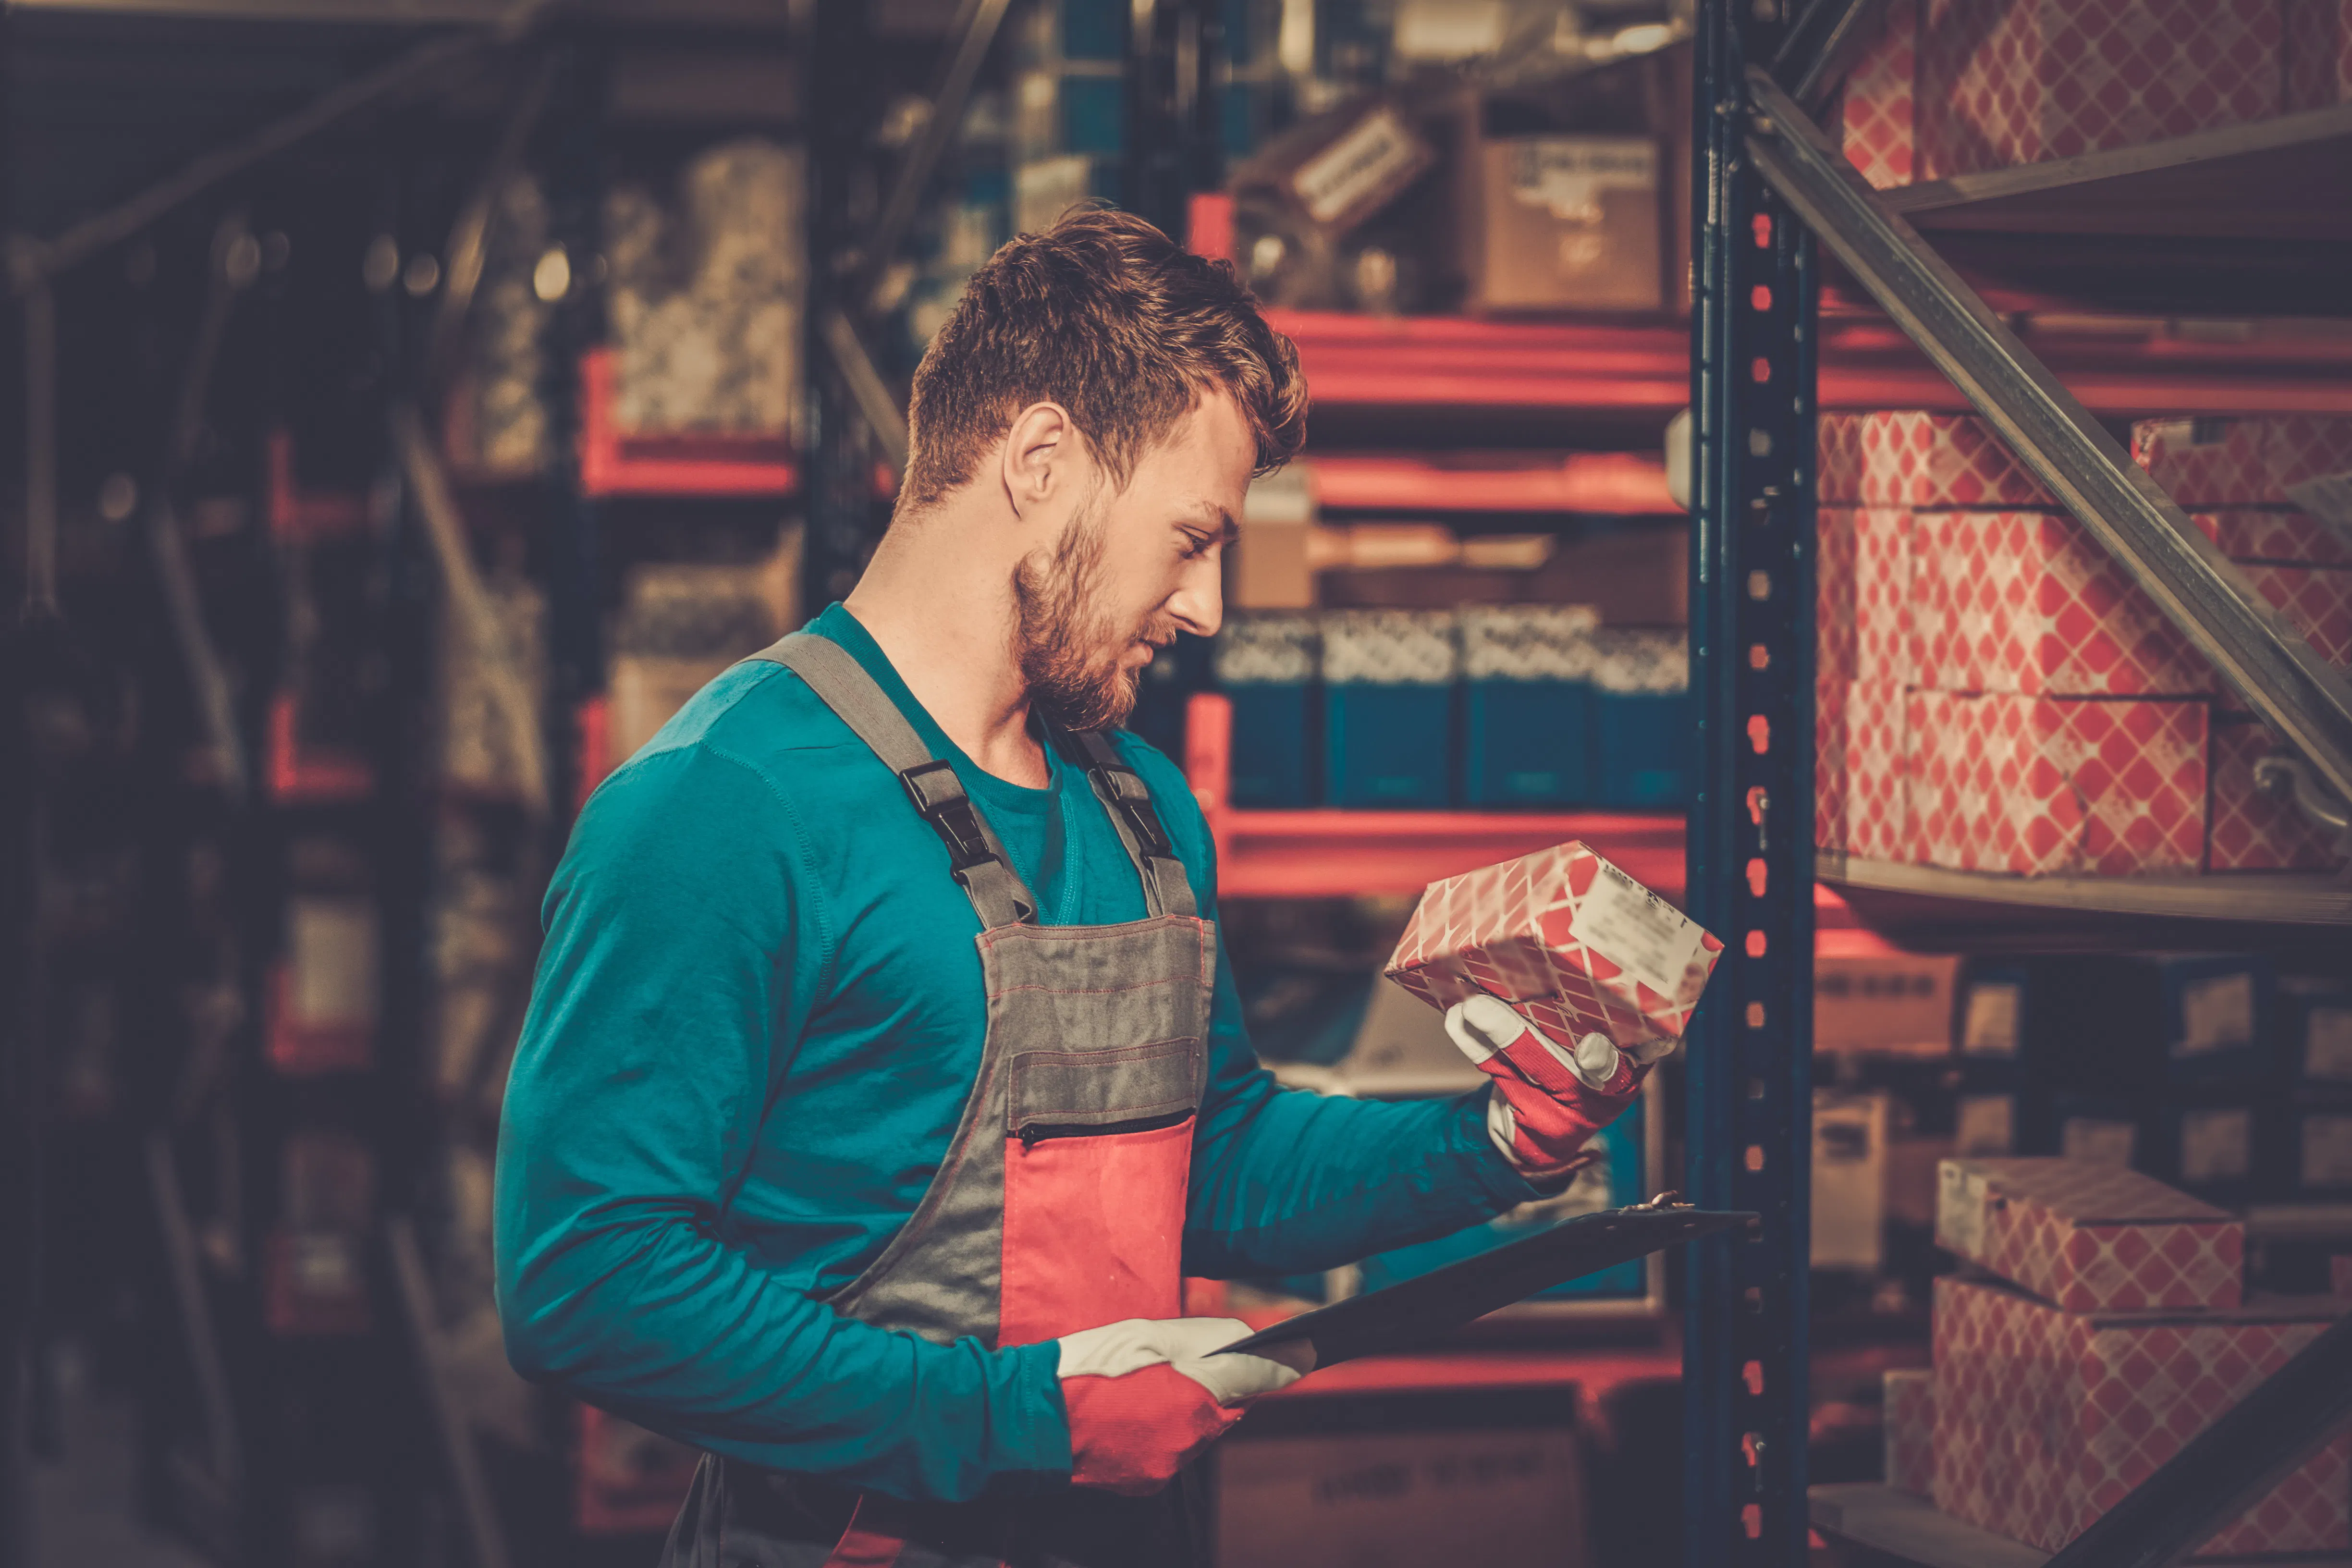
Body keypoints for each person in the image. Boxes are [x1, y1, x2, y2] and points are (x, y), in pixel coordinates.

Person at [493, 208, 1660, 1568]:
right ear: (1042, 459)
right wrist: (1022, 1421)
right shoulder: (727, 806)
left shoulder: (1143, 807)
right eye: (1190, 537)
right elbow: (588, 1283)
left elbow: (1207, 1164)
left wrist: (1494, 1145)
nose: (1210, 607)